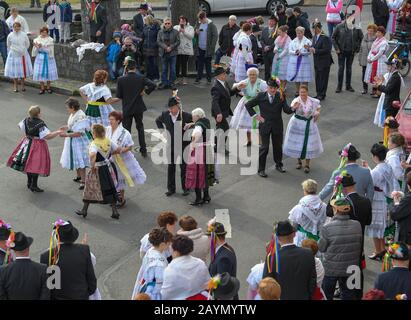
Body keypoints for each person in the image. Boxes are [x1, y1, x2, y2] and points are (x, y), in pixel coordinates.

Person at [245, 78, 294, 176]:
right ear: (267, 87)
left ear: (277, 88)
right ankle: (261, 169)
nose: (273, 90)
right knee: (264, 147)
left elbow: (286, 110)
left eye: (275, 88)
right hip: (265, 126)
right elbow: (248, 105)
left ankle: (279, 164)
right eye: (271, 88)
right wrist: (256, 116)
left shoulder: (280, 96)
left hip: (277, 125)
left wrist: (294, 108)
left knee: (278, 146)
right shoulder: (261, 96)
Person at [7, 106, 61, 192]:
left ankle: (29, 182)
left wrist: (28, 133)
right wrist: (58, 132)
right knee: (36, 164)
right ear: (39, 114)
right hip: (38, 145)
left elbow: (19, 126)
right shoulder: (41, 124)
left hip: (27, 142)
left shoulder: (26, 120)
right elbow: (48, 136)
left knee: (28, 162)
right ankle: (34, 185)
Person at [319, 196, 363, 300]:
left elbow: (321, 248)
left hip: (331, 269)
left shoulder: (327, 227)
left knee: (326, 295)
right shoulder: (357, 225)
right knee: (348, 295)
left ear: (336, 210)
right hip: (351, 268)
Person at [40, 220, 97, 300]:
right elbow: (92, 284)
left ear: (57, 237)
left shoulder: (46, 256)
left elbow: (48, 287)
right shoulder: (84, 250)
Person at [75, 124, 121, 219]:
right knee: (110, 188)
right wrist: (108, 156)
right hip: (108, 167)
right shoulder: (108, 141)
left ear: (94, 133)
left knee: (90, 188)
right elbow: (118, 149)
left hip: (98, 168)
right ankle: (114, 211)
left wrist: (92, 166)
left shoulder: (94, 143)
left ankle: (84, 210)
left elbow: (92, 155)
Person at [263, 220, 317, 300]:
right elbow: (312, 280)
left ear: (277, 238)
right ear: (294, 234)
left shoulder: (272, 258)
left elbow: (266, 284)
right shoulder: (308, 254)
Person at [364, 143, 398, 260]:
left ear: (375, 156)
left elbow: (370, 183)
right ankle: (382, 249)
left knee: (375, 227)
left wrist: (367, 171)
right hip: (385, 197)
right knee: (381, 228)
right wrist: (368, 168)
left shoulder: (377, 171)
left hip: (377, 199)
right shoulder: (387, 166)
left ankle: (378, 251)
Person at [116, 59, 156, 158]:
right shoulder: (141, 78)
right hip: (138, 107)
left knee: (127, 130)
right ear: (135, 68)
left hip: (127, 108)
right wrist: (145, 92)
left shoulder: (121, 79)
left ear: (126, 68)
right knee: (140, 128)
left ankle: (127, 150)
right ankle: (143, 150)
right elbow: (153, 85)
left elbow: (119, 95)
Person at [106, 110, 146, 207]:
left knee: (120, 179)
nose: (110, 121)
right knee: (111, 178)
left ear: (118, 120)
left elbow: (130, 146)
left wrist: (120, 150)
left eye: (112, 119)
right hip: (109, 158)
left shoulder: (125, 133)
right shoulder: (107, 129)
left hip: (121, 159)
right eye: (109, 119)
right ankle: (114, 197)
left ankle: (121, 199)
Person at [155, 96, 192, 197]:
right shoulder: (165, 114)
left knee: (184, 167)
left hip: (183, 146)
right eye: (169, 108)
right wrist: (162, 132)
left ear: (178, 106)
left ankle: (186, 188)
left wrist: (190, 129)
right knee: (171, 167)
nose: (171, 110)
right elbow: (157, 120)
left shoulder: (186, 116)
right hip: (170, 146)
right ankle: (171, 189)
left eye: (173, 108)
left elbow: (195, 124)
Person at [283, 85, 323, 172]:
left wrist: (317, 114)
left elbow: (319, 107)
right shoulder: (296, 100)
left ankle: (307, 165)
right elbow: (291, 109)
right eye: (301, 92)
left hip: (309, 124)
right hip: (297, 124)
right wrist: (294, 107)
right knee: (298, 143)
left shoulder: (313, 101)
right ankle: (299, 162)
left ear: (307, 92)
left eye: (304, 92)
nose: (302, 94)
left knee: (309, 144)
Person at [0, 232, 50, 300]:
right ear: (28, 248)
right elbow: (45, 296)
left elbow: (2, 296)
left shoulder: (3, 271)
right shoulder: (42, 269)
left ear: (14, 250)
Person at [161, 235, 210, 300]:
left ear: (176, 252)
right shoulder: (200, 263)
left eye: (171, 247)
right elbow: (207, 284)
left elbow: (165, 295)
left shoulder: (170, 270)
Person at [132, 227, 172, 300]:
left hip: (146, 284)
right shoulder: (159, 264)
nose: (170, 244)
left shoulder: (150, 251)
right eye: (169, 243)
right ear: (162, 244)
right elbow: (160, 284)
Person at [230, 67, 267, 145]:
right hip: (246, 105)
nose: (252, 76)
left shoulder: (262, 83)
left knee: (258, 124)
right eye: (250, 74)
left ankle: (259, 140)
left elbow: (267, 92)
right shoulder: (244, 82)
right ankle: (249, 140)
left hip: (258, 105)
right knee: (246, 125)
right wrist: (239, 88)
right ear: (248, 75)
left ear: (257, 75)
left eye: (254, 74)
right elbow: (234, 88)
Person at [185, 108, 214, 206]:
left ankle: (198, 199)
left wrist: (193, 143)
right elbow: (200, 124)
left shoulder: (198, 125)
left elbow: (198, 132)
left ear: (197, 117)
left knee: (197, 174)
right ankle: (206, 196)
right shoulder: (206, 120)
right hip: (207, 150)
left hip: (199, 151)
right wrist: (191, 124)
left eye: (193, 117)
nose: (192, 118)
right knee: (205, 173)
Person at [59, 98, 90, 190]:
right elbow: (72, 125)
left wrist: (66, 134)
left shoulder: (81, 116)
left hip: (79, 141)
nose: (67, 109)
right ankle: (79, 176)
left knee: (81, 161)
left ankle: (83, 181)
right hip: (73, 140)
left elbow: (80, 133)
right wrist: (65, 127)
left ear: (72, 107)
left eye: (68, 107)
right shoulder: (74, 113)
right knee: (76, 158)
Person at [288, 179, 327, 246]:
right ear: (315, 190)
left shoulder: (299, 208)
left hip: (302, 239)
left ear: (305, 191)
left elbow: (294, 226)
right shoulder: (324, 206)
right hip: (318, 239)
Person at [332, 13, 363, 93]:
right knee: (341, 69)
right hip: (341, 52)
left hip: (351, 52)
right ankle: (339, 87)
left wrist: (357, 49)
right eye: (348, 18)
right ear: (345, 18)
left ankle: (348, 86)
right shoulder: (339, 26)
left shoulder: (357, 27)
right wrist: (336, 48)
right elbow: (333, 38)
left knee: (349, 69)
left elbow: (361, 38)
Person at [211, 66, 240, 152]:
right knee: (225, 129)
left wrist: (238, 88)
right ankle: (220, 147)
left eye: (225, 73)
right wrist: (218, 113)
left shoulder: (224, 83)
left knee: (221, 129)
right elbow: (214, 102)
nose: (225, 75)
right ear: (218, 76)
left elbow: (229, 93)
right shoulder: (216, 87)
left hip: (223, 111)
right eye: (223, 74)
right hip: (219, 112)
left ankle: (216, 146)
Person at [5, 22, 32, 92]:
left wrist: (23, 50)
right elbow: (8, 45)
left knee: (22, 71)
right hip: (14, 55)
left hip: (22, 55)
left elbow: (27, 44)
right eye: (15, 27)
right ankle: (15, 86)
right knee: (15, 72)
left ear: (20, 27)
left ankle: (23, 85)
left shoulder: (24, 35)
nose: (16, 28)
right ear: (13, 27)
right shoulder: (10, 35)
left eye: (18, 27)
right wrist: (13, 50)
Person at [32, 26, 58, 94]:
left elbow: (50, 51)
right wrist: (37, 47)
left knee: (49, 73)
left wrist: (42, 47)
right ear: (40, 32)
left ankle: (48, 87)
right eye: (43, 32)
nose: (44, 34)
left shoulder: (50, 40)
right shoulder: (36, 40)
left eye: (45, 32)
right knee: (40, 73)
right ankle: (42, 87)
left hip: (48, 58)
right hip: (40, 58)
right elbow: (35, 50)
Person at [287, 27, 312, 96]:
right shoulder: (293, 41)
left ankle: (305, 91)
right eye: (297, 33)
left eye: (300, 33)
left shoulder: (307, 41)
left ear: (303, 33)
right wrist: (295, 52)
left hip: (304, 61)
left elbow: (309, 52)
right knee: (297, 76)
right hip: (295, 61)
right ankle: (298, 91)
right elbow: (289, 51)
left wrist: (302, 53)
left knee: (305, 77)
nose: (298, 34)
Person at [194, 11, 218, 84]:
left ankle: (209, 79)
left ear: (205, 17)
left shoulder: (211, 25)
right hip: (200, 47)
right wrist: (196, 32)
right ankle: (198, 79)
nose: (200, 21)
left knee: (208, 64)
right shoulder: (198, 23)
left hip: (208, 49)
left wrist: (211, 46)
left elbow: (215, 36)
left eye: (202, 20)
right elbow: (195, 32)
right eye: (200, 20)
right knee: (200, 64)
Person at [364, 26, 388, 97]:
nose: (377, 33)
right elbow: (371, 50)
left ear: (382, 33)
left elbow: (380, 53)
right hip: (373, 59)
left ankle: (378, 92)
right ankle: (374, 91)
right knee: (373, 75)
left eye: (378, 32)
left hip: (379, 60)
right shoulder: (377, 40)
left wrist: (372, 59)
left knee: (379, 75)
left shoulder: (384, 42)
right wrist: (368, 57)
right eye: (377, 32)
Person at [311, 21, 333, 101]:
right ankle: (318, 93)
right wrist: (310, 48)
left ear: (318, 28)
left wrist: (315, 50)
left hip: (324, 62)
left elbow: (327, 50)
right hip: (317, 61)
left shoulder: (325, 37)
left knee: (323, 78)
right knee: (317, 78)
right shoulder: (315, 37)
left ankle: (322, 94)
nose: (313, 30)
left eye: (314, 28)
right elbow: (314, 46)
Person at [157, 17, 180, 90]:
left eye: (168, 23)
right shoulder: (160, 32)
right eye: (166, 23)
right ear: (164, 24)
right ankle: (164, 83)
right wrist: (165, 47)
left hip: (172, 53)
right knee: (164, 69)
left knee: (173, 69)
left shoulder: (176, 31)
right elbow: (158, 41)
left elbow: (178, 41)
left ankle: (171, 83)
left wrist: (171, 47)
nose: (167, 25)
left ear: (171, 24)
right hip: (163, 53)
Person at [174, 15, 194, 86]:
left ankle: (184, 78)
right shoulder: (175, 27)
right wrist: (178, 32)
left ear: (186, 21)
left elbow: (191, 36)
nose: (182, 22)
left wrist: (184, 31)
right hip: (178, 49)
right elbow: (173, 37)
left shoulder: (190, 27)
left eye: (184, 21)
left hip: (186, 49)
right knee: (177, 64)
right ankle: (176, 78)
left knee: (184, 64)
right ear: (179, 21)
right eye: (181, 21)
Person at [391, 172, 411, 242]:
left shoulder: (408, 200)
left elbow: (395, 214)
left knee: (395, 251)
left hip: (407, 237)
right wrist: (402, 194)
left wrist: (396, 201)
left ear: (408, 185)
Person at [358, 24, 377, 95]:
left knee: (373, 75)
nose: (369, 32)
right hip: (364, 59)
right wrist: (359, 59)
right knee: (364, 74)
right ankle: (365, 88)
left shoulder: (376, 39)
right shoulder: (364, 38)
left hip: (372, 60)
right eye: (369, 30)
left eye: (371, 31)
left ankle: (374, 89)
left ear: (374, 31)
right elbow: (361, 49)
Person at [271, 25, 291, 90]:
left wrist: (280, 56)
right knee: (277, 71)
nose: (279, 33)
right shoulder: (279, 37)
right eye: (278, 32)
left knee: (284, 72)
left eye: (280, 32)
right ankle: (279, 85)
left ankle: (283, 86)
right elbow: (276, 45)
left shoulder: (288, 39)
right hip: (277, 55)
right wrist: (275, 49)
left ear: (284, 32)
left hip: (284, 57)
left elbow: (286, 49)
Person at [142, 15, 160, 81]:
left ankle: (156, 76)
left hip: (154, 47)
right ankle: (149, 76)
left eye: (145, 20)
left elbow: (158, 37)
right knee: (148, 63)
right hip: (146, 47)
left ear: (148, 20)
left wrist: (155, 44)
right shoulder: (145, 27)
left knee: (154, 63)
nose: (144, 22)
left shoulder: (156, 27)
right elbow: (143, 37)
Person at [260, 15, 278, 81]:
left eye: (272, 21)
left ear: (275, 22)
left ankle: (274, 81)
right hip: (265, 51)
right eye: (269, 21)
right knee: (266, 68)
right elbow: (261, 40)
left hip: (272, 52)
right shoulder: (264, 29)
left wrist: (270, 47)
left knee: (273, 68)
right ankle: (266, 81)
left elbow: (277, 42)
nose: (270, 22)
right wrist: (264, 46)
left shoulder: (277, 31)